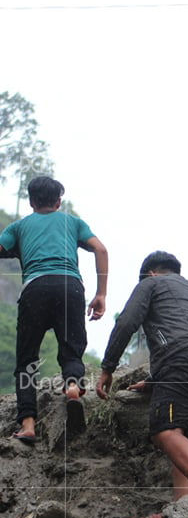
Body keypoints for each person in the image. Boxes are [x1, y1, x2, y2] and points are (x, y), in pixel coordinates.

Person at [96, 251, 188, 518]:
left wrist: (107, 368)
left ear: (151, 273)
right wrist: (157, 380)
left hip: (181, 363)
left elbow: (126, 322)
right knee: (182, 440)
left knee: (165, 432)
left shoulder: (150, 284)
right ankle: (183, 509)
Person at [0, 176, 108, 442]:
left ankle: (28, 423)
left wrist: (19, 250)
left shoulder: (19, 227)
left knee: (27, 360)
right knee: (71, 350)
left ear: (31, 201)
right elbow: (100, 249)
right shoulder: (72, 223)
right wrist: (101, 294)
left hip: (35, 289)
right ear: (59, 201)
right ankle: (72, 385)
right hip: (70, 288)